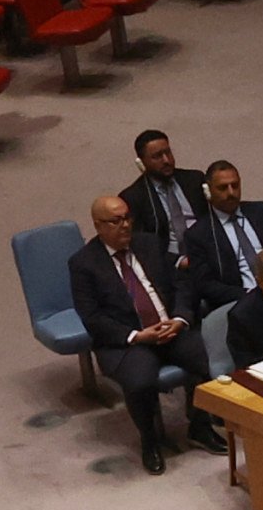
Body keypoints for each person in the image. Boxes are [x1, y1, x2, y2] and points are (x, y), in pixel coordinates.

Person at [67, 194, 214, 473]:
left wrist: (180, 319)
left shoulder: (148, 244)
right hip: (128, 342)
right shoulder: (83, 264)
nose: (125, 226)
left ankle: (200, 425)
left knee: (205, 360)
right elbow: (92, 318)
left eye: (127, 218)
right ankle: (150, 441)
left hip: (168, 327)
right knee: (139, 382)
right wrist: (137, 335)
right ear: (98, 226)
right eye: (116, 221)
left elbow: (182, 283)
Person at [180, 158, 263, 308]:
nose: (231, 193)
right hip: (244, 302)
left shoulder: (261, 211)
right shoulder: (198, 234)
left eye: (235, 185)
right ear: (208, 192)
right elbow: (205, 285)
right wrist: (252, 296)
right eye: (223, 188)